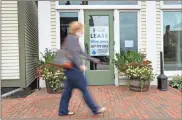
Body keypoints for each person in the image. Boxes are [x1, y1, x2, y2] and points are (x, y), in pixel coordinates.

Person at [58, 21, 107, 116]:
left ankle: (62, 111)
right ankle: (95, 109)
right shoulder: (71, 39)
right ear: (76, 30)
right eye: (81, 30)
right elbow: (74, 55)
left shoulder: (73, 39)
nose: (82, 32)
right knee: (84, 88)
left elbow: (82, 53)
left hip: (70, 70)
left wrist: (93, 59)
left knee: (67, 91)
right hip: (73, 69)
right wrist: (80, 65)